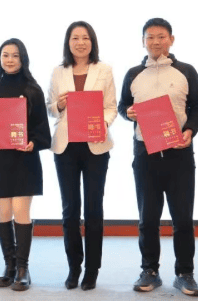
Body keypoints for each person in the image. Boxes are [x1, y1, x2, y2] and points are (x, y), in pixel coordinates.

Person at [118, 18, 198, 296]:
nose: (156, 42)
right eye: (150, 37)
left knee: (183, 219)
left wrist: (190, 130)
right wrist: (127, 113)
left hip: (179, 155)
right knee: (147, 219)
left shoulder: (186, 71)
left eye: (161, 36)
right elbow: (123, 105)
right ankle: (149, 270)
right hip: (145, 155)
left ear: (171, 39)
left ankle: (185, 273)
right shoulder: (133, 74)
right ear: (143, 41)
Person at [47, 21, 118, 291]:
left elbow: (111, 107)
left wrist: (103, 123)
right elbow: (50, 107)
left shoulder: (104, 69)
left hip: (95, 145)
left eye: (85, 38)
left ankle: (92, 269)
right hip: (66, 146)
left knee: (93, 209)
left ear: (92, 42)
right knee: (69, 210)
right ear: (68, 42)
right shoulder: (58, 71)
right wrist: (59, 104)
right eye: (75, 38)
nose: (80, 43)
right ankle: (74, 266)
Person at [0, 38, 51, 291]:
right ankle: (9, 267)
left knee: (21, 211)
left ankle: (23, 268)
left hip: (25, 158)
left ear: (23, 59)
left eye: (15, 55)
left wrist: (33, 143)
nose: (9, 60)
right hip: (0, 158)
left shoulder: (33, 89)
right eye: (5, 55)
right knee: (2, 213)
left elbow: (42, 130)